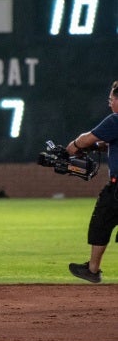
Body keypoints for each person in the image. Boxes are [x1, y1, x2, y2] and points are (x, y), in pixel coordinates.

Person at [67, 80, 118, 283]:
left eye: (111, 99)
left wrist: (73, 146)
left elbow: (85, 139)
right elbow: (109, 143)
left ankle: (93, 269)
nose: (109, 103)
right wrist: (99, 147)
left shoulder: (115, 120)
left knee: (101, 223)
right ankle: (92, 269)